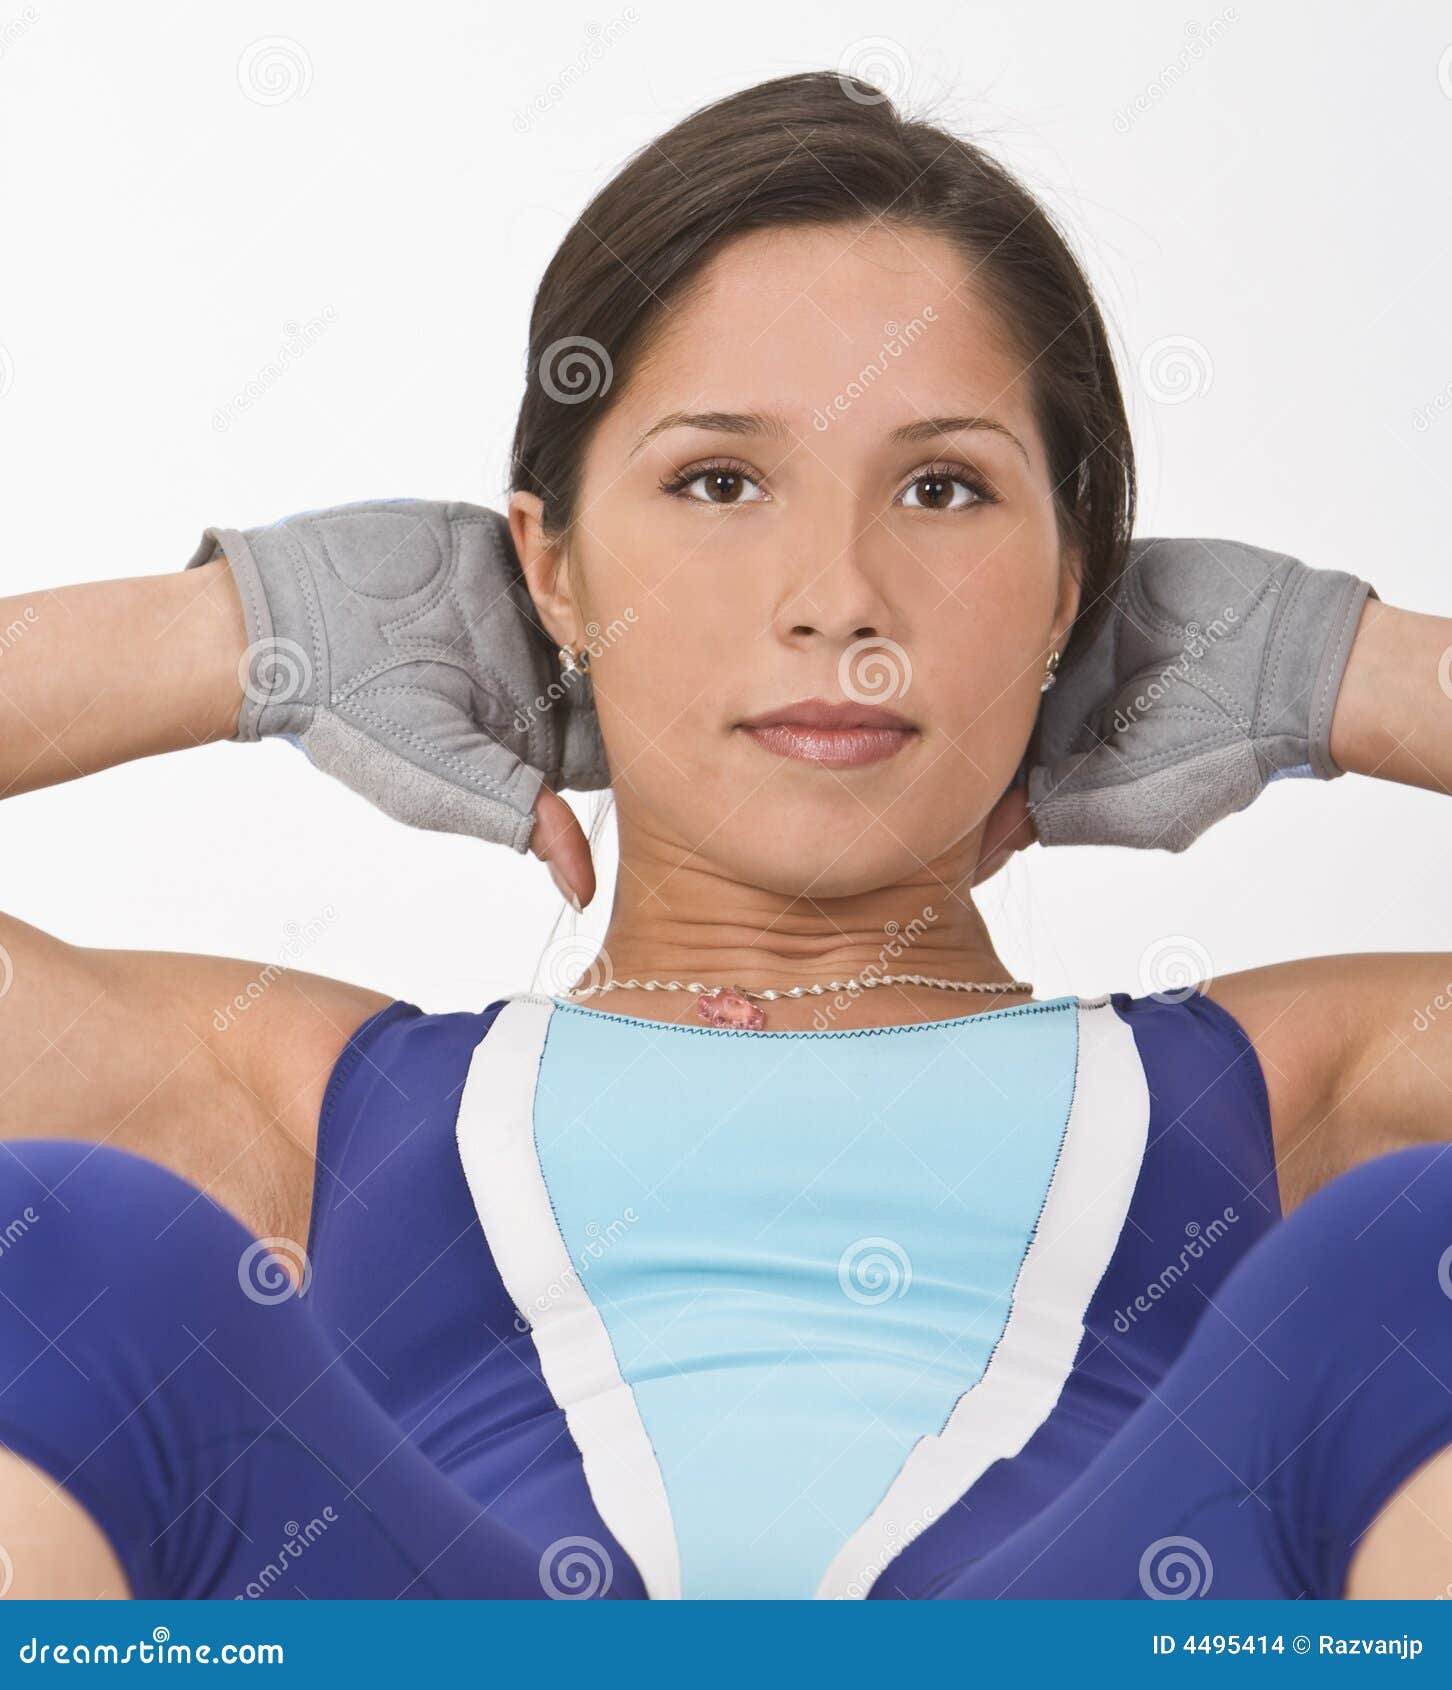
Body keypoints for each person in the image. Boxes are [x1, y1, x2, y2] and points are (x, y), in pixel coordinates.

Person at [0, 70, 1449, 1602]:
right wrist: (262, 629)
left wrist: (1339, 672)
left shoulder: (1282, 1084)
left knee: (1413, 1251)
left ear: (1070, 585)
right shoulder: (311, 1100)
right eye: (718, 480)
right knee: (82, 1250)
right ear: (548, 570)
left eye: (945, 488)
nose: (836, 593)